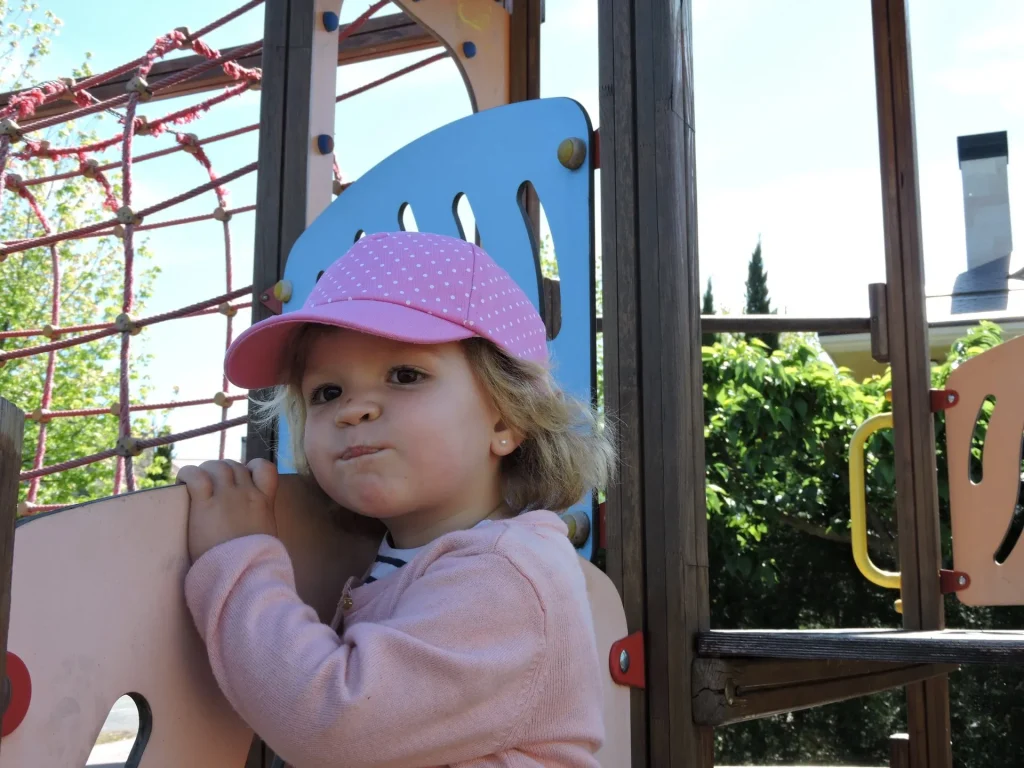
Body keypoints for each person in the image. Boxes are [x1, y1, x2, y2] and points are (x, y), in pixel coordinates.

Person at [178, 231, 616, 768]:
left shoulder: (505, 573)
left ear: (506, 419)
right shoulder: (400, 557)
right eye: (326, 392)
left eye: (405, 375)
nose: (353, 409)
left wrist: (239, 557)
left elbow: (333, 723)